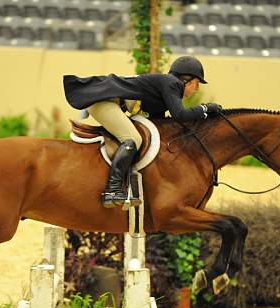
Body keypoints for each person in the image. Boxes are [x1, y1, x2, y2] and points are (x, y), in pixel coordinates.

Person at [63, 56, 222, 209]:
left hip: (111, 102)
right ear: (186, 79)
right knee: (133, 139)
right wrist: (205, 108)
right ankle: (112, 190)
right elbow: (180, 115)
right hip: (103, 102)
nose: (197, 89)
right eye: (197, 83)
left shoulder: (166, 87)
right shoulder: (173, 83)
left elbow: (160, 123)